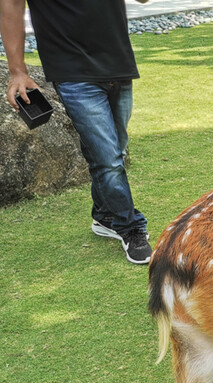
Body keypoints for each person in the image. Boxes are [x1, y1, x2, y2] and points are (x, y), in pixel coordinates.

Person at [1, 0, 153, 265]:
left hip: (118, 64)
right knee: (109, 160)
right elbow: (11, 5)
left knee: (113, 149)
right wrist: (17, 70)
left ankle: (105, 216)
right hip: (73, 71)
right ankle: (131, 228)